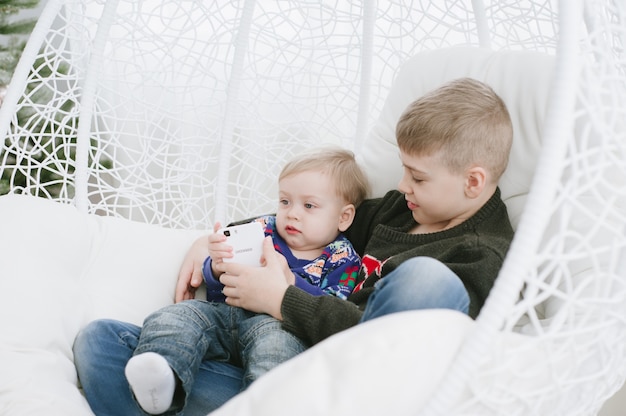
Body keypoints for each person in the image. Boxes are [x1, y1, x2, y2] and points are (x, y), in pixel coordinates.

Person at [73, 77, 515, 415]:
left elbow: (382, 347)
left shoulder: (481, 256)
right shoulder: (402, 210)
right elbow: (310, 221)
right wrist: (222, 237)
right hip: (276, 374)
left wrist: (283, 300)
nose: (402, 186)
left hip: (341, 383)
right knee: (101, 343)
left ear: (472, 181)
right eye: (403, 170)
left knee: (423, 280)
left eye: (417, 177)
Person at [122, 147, 369, 414]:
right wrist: (216, 265)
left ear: (343, 217)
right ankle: (163, 382)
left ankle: (259, 408)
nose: (292, 213)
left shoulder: (343, 259)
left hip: (279, 328)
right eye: (285, 201)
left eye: (309, 206)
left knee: (277, 353)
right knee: (176, 316)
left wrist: (291, 284)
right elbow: (220, 277)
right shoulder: (263, 229)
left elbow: (329, 309)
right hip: (224, 315)